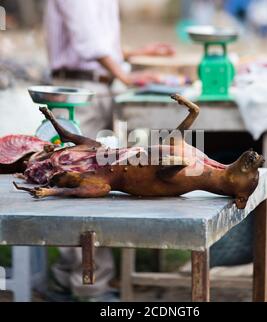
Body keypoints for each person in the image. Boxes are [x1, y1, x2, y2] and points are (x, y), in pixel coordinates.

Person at [44, 0, 174, 301]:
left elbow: (97, 45)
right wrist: (127, 76)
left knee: (98, 184)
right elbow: (89, 43)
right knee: (80, 186)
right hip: (78, 91)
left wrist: (137, 54)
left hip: (99, 87)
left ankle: (68, 278)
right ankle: (89, 287)